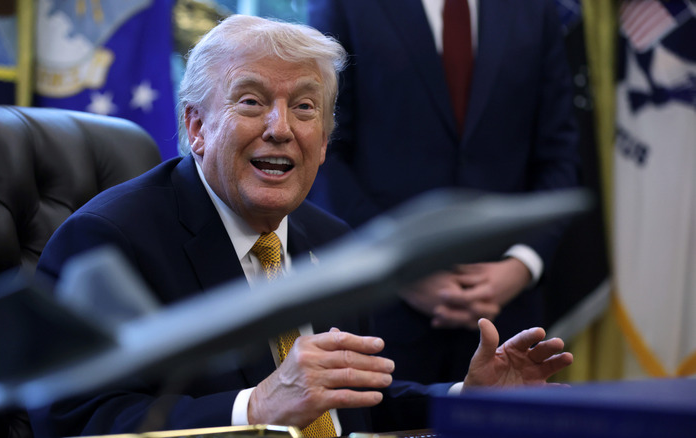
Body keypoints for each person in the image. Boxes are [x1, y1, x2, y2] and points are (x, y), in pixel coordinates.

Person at [33, 14, 573, 437]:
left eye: (305, 108)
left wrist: (464, 401)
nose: (281, 128)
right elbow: (80, 422)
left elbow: (353, 407)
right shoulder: (107, 242)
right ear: (196, 126)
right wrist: (255, 409)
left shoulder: (336, 243)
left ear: (325, 140)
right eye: (252, 101)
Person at [306, 0, 581, 383]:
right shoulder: (343, 5)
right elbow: (324, 152)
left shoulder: (535, 8)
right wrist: (398, 268)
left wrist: (522, 264)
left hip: (509, 323)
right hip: (382, 317)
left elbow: (559, 155)